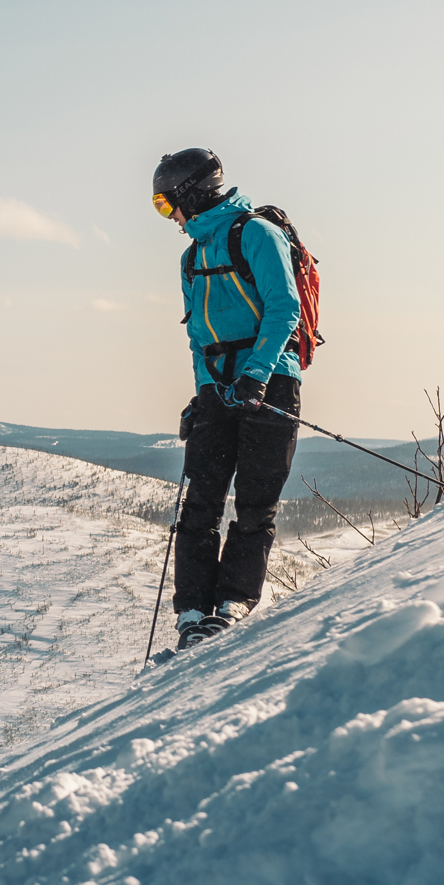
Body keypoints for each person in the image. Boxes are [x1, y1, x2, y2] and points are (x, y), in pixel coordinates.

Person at [151, 147, 303, 650]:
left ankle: (232, 603)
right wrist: (202, 396)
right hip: (219, 388)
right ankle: (192, 611)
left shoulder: (256, 234)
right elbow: (197, 334)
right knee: (200, 502)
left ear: (191, 192)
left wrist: (256, 375)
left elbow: (284, 308)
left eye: (167, 204)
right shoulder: (192, 256)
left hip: (270, 382)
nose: (170, 217)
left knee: (256, 502)